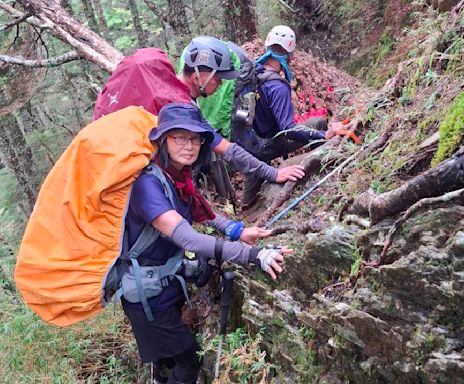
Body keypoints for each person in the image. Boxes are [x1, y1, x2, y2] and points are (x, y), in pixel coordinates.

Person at [121, 102, 290, 384]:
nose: (189, 145)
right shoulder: (147, 185)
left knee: (168, 361)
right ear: (163, 139)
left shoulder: (176, 176)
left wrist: (237, 231)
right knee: (187, 361)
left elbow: (202, 211)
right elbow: (186, 237)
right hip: (146, 298)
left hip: (165, 287)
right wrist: (253, 255)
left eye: (195, 138)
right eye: (180, 137)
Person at [94, 36, 305, 190]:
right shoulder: (181, 109)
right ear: (199, 76)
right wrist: (274, 173)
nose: (221, 83)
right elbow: (228, 150)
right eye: (218, 77)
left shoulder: (168, 88)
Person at [242, 26, 329, 208]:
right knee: (319, 124)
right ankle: (323, 172)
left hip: (250, 143)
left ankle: (248, 207)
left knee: (249, 199)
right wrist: (323, 136)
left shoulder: (254, 72)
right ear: (290, 53)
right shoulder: (277, 86)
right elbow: (288, 129)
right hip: (268, 145)